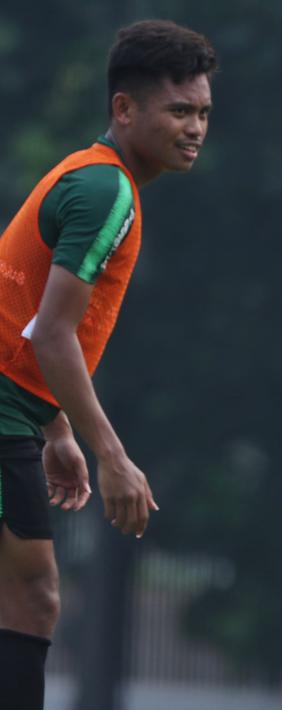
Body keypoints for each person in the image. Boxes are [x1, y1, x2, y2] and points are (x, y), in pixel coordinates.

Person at [0, 19, 215, 709]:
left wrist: (56, 426)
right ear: (124, 109)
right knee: (32, 593)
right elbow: (55, 334)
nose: (195, 128)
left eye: (203, 112)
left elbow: (30, 314)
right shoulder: (106, 192)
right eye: (178, 111)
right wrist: (111, 455)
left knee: (29, 594)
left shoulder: (97, 178)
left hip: (20, 412)